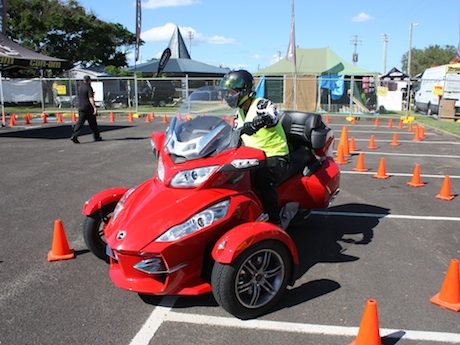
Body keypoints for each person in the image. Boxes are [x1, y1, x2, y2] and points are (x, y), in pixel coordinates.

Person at [220, 70, 289, 226]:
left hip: (275, 155)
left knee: (262, 179)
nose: (228, 96)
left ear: (244, 90)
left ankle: (274, 222)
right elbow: (235, 134)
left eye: (232, 92)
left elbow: (272, 116)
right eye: (227, 93)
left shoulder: (262, 104)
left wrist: (257, 123)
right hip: (253, 157)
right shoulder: (238, 113)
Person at [70, 75, 102, 143]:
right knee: (93, 123)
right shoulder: (88, 87)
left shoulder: (80, 87)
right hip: (88, 107)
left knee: (80, 123)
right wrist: (94, 107)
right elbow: (90, 98)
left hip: (81, 107)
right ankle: (96, 136)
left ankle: (74, 135)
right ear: (89, 80)